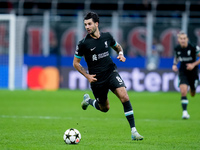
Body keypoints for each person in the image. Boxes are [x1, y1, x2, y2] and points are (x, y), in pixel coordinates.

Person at [73, 12, 143, 141]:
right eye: (85, 25)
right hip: (97, 79)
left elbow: (117, 47)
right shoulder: (83, 43)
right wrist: (87, 76)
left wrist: (121, 53)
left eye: (89, 24)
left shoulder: (107, 36)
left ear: (96, 24)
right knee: (105, 108)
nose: (87, 27)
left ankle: (134, 131)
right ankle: (89, 101)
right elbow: (75, 63)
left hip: (111, 72)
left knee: (124, 96)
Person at [172, 31, 200, 119]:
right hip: (183, 71)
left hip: (193, 73)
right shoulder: (177, 48)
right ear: (178, 40)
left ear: (187, 39)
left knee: (192, 93)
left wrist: (193, 65)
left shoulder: (193, 47)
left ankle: (193, 87)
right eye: (181, 39)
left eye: (184, 38)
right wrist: (174, 64)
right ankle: (185, 113)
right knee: (183, 91)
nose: (183, 40)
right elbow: (177, 57)